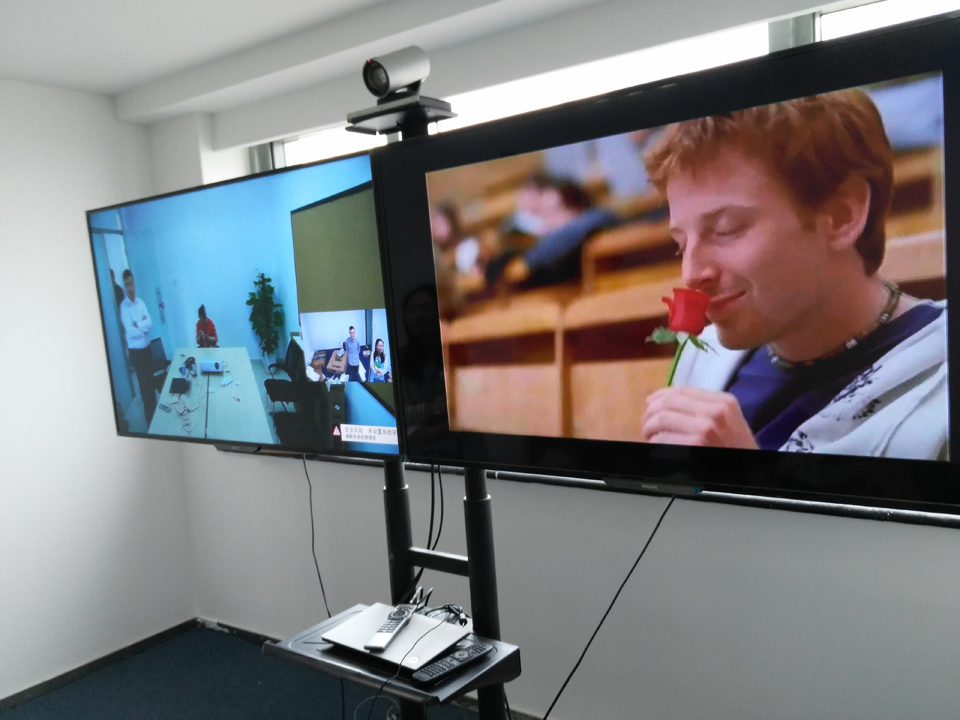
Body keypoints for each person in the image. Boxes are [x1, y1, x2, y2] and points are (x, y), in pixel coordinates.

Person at [639, 89, 947, 460]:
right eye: (681, 244)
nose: (690, 274)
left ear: (842, 216)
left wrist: (748, 479)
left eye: (726, 229)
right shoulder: (702, 357)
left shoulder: (941, 390)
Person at [119, 269, 157, 425]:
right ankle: (151, 424)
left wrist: (138, 324)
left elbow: (150, 324)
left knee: (151, 384)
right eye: (127, 285)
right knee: (145, 389)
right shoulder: (124, 307)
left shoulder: (141, 303)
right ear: (124, 286)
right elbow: (130, 332)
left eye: (131, 284)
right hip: (136, 353)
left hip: (147, 350)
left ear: (134, 283)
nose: (130, 288)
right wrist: (143, 328)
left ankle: (156, 418)